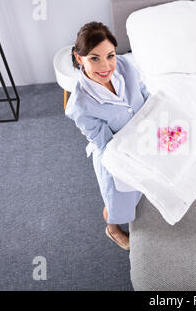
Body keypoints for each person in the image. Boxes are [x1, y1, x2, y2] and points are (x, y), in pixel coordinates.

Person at [65, 21, 151, 250]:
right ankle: (112, 229)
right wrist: (136, 152)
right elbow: (104, 143)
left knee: (145, 184)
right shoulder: (81, 106)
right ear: (79, 58)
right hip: (116, 151)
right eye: (94, 58)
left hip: (143, 136)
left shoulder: (124, 65)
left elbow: (143, 93)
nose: (105, 66)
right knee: (117, 200)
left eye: (110, 55)